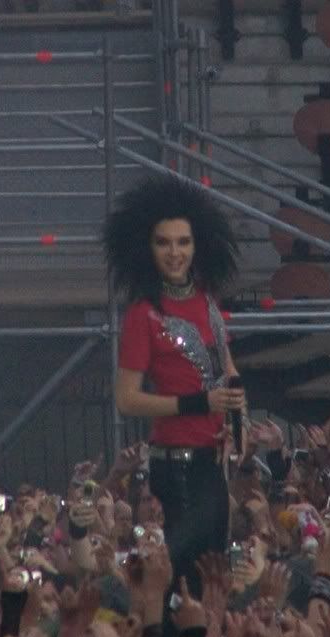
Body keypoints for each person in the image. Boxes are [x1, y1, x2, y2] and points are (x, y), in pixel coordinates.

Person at [106, 174, 247, 597]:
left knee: (214, 577)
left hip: (213, 464)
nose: (174, 253)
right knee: (186, 581)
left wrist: (237, 425)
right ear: (146, 248)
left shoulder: (207, 300)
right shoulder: (143, 315)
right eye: (163, 243)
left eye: (183, 242)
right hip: (177, 466)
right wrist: (199, 403)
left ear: (198, 244)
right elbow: (126, 399)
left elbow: (229, 370)